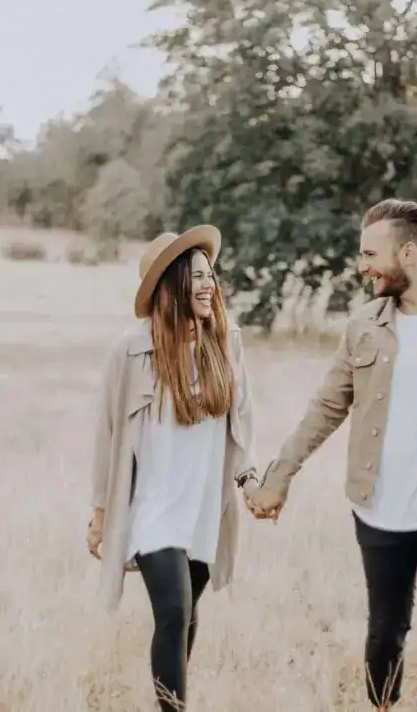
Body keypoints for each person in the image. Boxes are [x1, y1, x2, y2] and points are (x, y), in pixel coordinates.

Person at [250, 199, 417, 712]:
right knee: (384, 636)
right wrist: (279, 476)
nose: (362, 267)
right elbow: (326, 407)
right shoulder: (363, 326)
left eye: (369, 254)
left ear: (408, 252)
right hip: (376, 508)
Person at [86, 225, 258, 712]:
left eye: (211, 275)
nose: (210, 285)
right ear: (171, 285)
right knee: (173, 610)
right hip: (153, 509)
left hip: (204, 507)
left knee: (186, 614)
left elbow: (241, 420)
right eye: (197, 276)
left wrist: (250, 480)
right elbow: (108, 436)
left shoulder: (227, 342)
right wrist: (100, 514)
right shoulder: (132, 351)